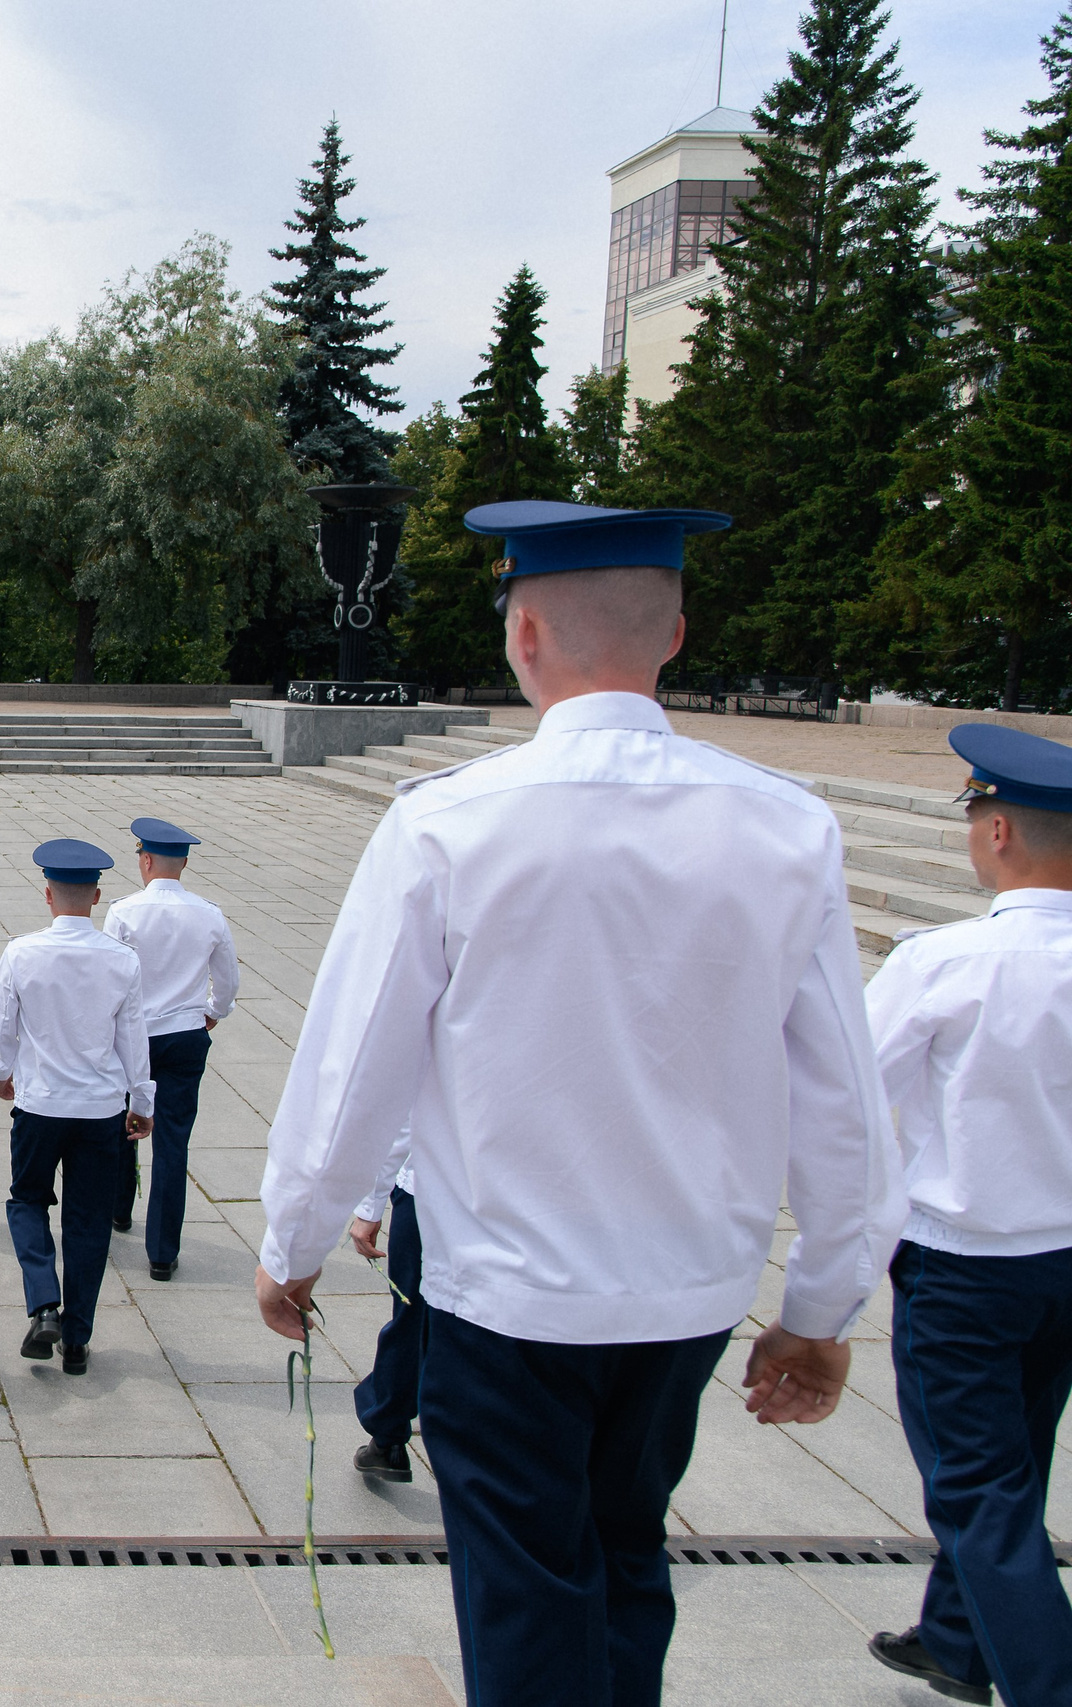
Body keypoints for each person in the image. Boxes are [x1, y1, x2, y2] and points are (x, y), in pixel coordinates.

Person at [253, 500, 906, 1707]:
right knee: (623, 1553)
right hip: (683, 1293)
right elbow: (841, 1104)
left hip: (509, 1292)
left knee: (525, 1589)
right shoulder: (785, 827)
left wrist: (293, 1242)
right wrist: (819, 1307)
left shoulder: (449, 821)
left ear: (526, 632)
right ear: (673, 638)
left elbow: (355, 1068)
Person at [860, 722, 1072, 1707]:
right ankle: (954, 1641)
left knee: (978, 1488)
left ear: (996, 835)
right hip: (1062, 1263)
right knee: (1012, 1466)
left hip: (964, 1269)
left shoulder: (946, 961)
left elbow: (853, 1101)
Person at [0, 839, 151, 1377]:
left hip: (41, 1104)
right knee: (87, 1223)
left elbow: (3, 1024)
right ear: (97, 896)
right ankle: (77, 1339)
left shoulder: (22, 952)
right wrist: (141, 1101)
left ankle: (43, 1304)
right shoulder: (122, 960)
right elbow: (133, 1039)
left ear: (48, 895)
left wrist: (2, 1073)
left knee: (27, 1200)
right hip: (101, 1108)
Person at [100, 818, 238, 1276]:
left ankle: (119, 1209)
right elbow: (229, 979)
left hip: (135, 1035)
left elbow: (111, 976)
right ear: (183, 863)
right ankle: (162, 1252)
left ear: (145, 860)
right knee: (174, 1142)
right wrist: (214, 1011)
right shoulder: (210, 913)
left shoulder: (124, 912)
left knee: (124, 1120)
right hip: (184, 1034)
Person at [346, 1127, 424, 1483]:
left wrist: (371, 1206)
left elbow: (403, 1119)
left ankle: (389, 1435)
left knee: (415, 1320)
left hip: (434, 1192)